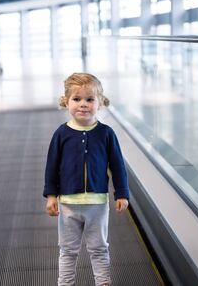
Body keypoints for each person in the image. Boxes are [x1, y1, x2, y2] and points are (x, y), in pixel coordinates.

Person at [43, 72, 130, 286]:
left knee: (99, 249)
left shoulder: (106, 134)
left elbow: (118, 166)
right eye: (77, 99)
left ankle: (103, 283)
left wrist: (122, 193)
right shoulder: (61, 134)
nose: (83, 104)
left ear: (100, 103)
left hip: (97, 205)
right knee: (68, 250)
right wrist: (51, 196)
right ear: (66, 102)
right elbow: (52, 167)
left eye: (90, 99)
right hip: (69, 205)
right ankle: (65, 283)